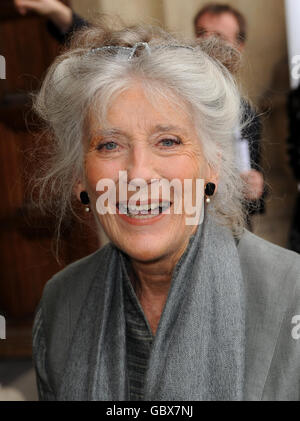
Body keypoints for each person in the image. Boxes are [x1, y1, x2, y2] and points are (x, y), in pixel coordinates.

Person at [30, 21, 300, 401]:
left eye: (168, 141)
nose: (138, 174)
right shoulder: (62, 303)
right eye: (109, 145)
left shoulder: (292, 293)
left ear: (211, 166)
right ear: (80, 177)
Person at [194, 3, 266, 221]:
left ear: (238, 46)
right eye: (201, 33)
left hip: (232, 227)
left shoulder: (246, 112)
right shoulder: (177, 99)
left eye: (218, 37)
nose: (206, 42)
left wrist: (257, 188)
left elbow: (253, 196)